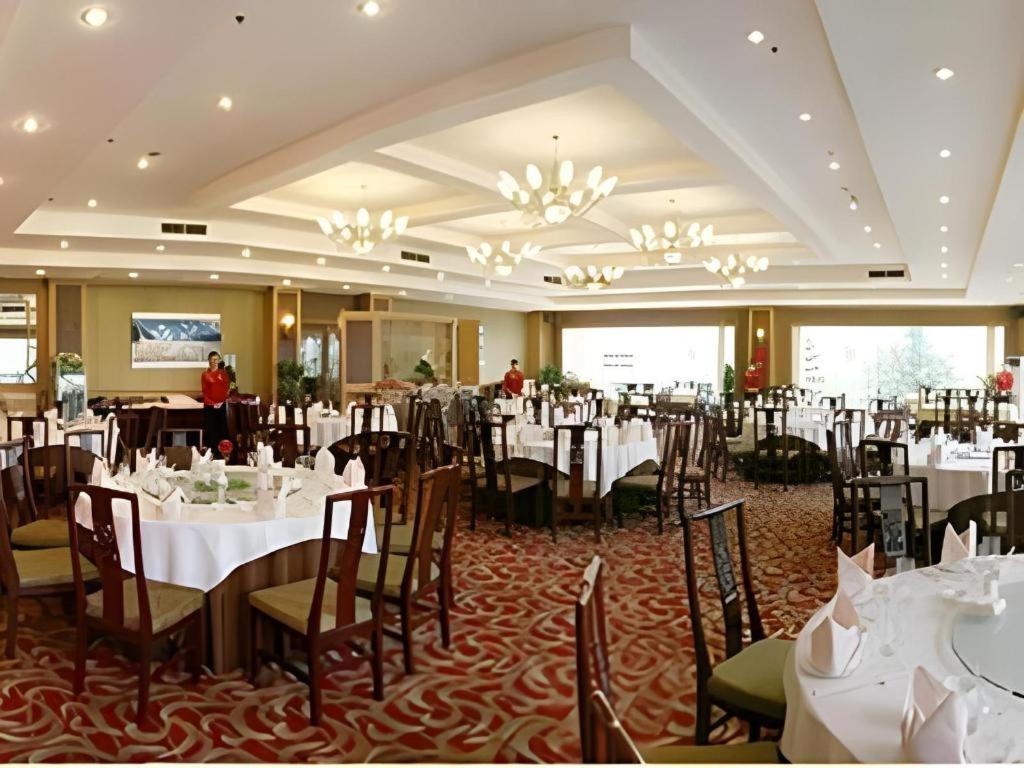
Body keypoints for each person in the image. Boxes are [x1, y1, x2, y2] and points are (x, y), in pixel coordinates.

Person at [201, 350, 230, 449]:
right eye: (213, 359)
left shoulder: (223, 373)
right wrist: (213, 403)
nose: (215, 361)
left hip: (222, 405)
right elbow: (205, 391)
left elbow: (226, 388)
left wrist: (221, 402)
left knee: (222, 430)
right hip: (209, 406)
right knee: (211, 430)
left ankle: (224, 452)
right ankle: (213, 452)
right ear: (209, 360)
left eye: (216, 359)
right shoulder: (205, 374)